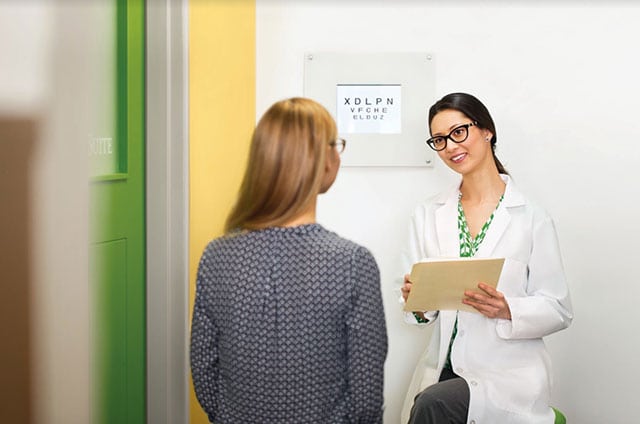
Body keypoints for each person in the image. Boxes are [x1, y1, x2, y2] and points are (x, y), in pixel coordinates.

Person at [190, 97, 388, 424]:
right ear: (321, 160)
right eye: (335, 144)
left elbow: (204, 371)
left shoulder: (216, 256)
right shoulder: (352, 263)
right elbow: (366, 399)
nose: (338, 154)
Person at [399, 92, 573, 423]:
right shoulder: (427, 213)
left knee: (432, 405)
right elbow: (419, 310)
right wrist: (416, 300)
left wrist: (510, 309)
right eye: (439, 139)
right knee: (431, 400)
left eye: (458, 132)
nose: (450, 146)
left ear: (487, 131)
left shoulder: (531, 217)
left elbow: (559, 308)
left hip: (506, 374)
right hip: (444, 370)